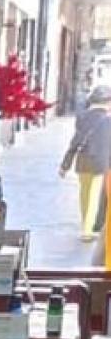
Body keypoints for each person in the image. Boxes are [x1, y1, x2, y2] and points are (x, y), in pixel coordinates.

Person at [61, 85, 111, 240]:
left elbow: (75, 142)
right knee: (94, 197)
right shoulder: (108, 119)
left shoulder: (82, 117)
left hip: (82, 161)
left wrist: (65, 164)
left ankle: (85, 225)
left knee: (84, 195)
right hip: (100, 163)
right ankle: (87, 230)